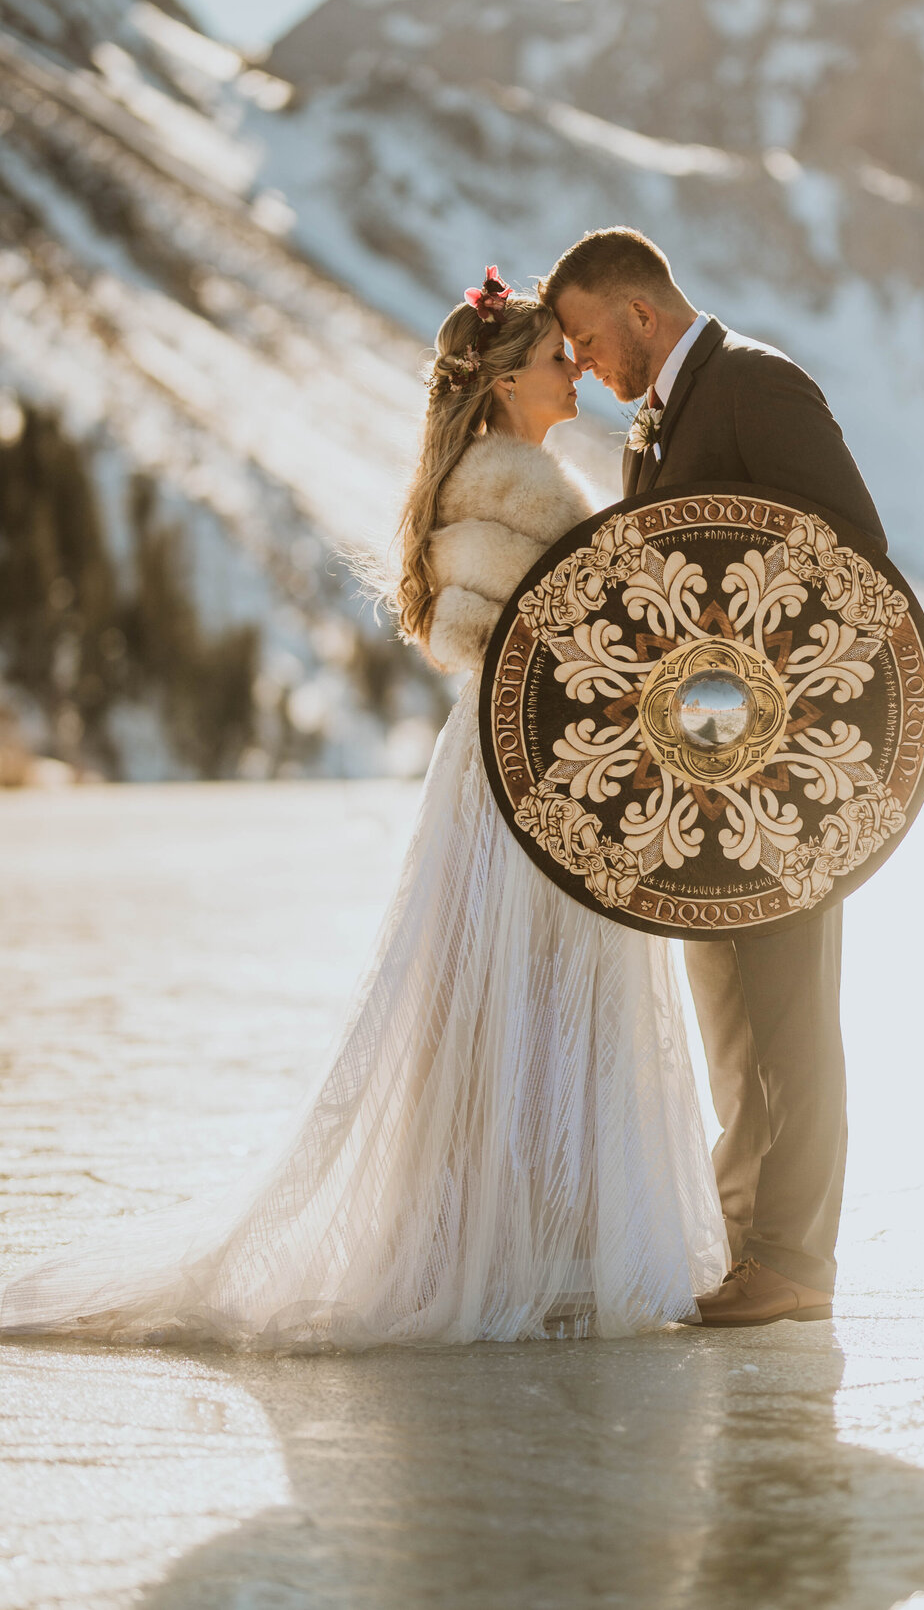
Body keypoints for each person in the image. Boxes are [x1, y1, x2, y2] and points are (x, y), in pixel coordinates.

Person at [0, 271, 727, 1349]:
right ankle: (537, 1243)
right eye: (554, 355)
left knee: (506, 1002)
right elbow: (548, 647)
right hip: (532, 767)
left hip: (516, 762)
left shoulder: (500, 475)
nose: (575, 366)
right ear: (504, 382)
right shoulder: (515, 485)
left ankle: (528, 1233)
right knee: (528, 996)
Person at [543, 227, 887, 1329]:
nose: (586, 367)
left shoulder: (756, 385)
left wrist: (776, 708)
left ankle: (796, 1259)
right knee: (734, 1025)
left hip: (786, 781)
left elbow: (851, 559)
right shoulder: (654, 429)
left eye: (591, 341)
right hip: (699, 781)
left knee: (793, 1018)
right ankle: (750, 1250)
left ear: (642, 314)